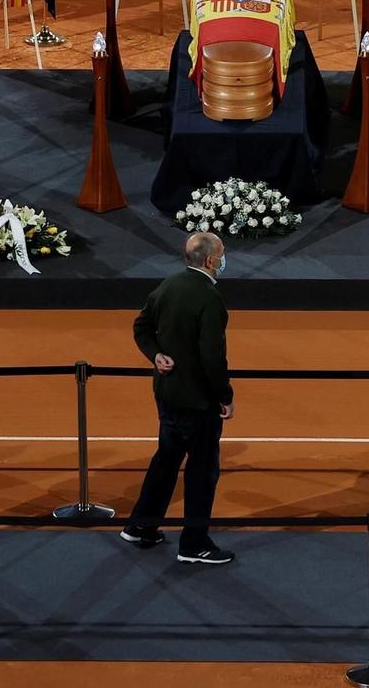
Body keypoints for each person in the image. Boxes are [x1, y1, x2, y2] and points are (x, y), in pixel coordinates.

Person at [122, 232, 235, 564]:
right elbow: (212, 357)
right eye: (223, 253)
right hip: (198, 402)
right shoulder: (210, 298)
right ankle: (194, 543)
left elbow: (141, 327)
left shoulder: (168, 285)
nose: (224, 258)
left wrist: (155, 354)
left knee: (166, 460)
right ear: (211, 260)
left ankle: (141, 526)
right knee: (202, 471)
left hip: (167, 394)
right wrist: (224, 396)